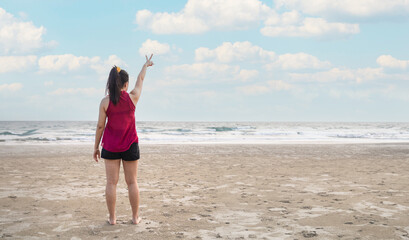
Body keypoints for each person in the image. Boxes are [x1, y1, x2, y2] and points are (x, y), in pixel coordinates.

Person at [93, 54, 154, 225]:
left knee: (111, 183)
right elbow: (141, 78)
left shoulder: (105, 102)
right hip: (130, 145)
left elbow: (100, 127)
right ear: (126, 84)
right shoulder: (133, 97)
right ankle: (135, 218)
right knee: (132, 182)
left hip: (111, 146)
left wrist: (96, 147)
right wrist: (145, 65)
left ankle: (112, 219)